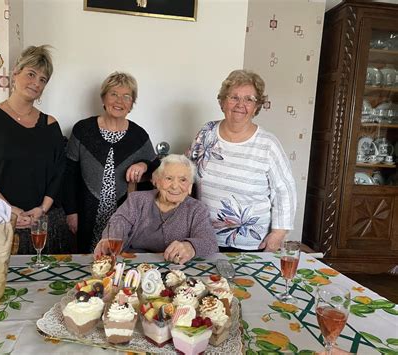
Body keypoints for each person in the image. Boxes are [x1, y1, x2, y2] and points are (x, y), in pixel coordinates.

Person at [0, 45, 70, 254]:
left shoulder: (51, 125)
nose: (36, 83)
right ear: (15, 73)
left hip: (42, 223)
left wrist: (42, 209)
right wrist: (10, 210)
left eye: (43, 79)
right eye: (31, 74)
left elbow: (59, 173)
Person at [187, 69, 297, 252]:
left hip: (252, 245)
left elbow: (285, 191)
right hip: (204, 239)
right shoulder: (206, 133)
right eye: (234, 97)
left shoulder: (268, 144)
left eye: (249, 99)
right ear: (223, 102)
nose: (240, 104)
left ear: (256, 107)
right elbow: (187, 173)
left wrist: (278, 234)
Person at [64, 71, 156, 253]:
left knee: (116, 260)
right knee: (87, 261)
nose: (119, 101)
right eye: (113, 94)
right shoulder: (83, 130)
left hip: (122, 217)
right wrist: (71, 212)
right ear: (103, 98)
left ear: (131, 104)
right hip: (85, 213)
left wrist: (143, 164)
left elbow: (156, 167)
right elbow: (69, 174)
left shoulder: (139, 136)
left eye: (126, 96)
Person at [94, 154, 218, 264]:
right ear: (157, 181)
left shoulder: (197, 209)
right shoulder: (137, 200)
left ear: (190, 186)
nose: (175, 186)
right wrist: (110, 239)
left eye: (183, 180)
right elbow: (119, 221)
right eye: (169, 178)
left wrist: (190, 246)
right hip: (134, 267)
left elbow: (209, 242)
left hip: (176, 271)